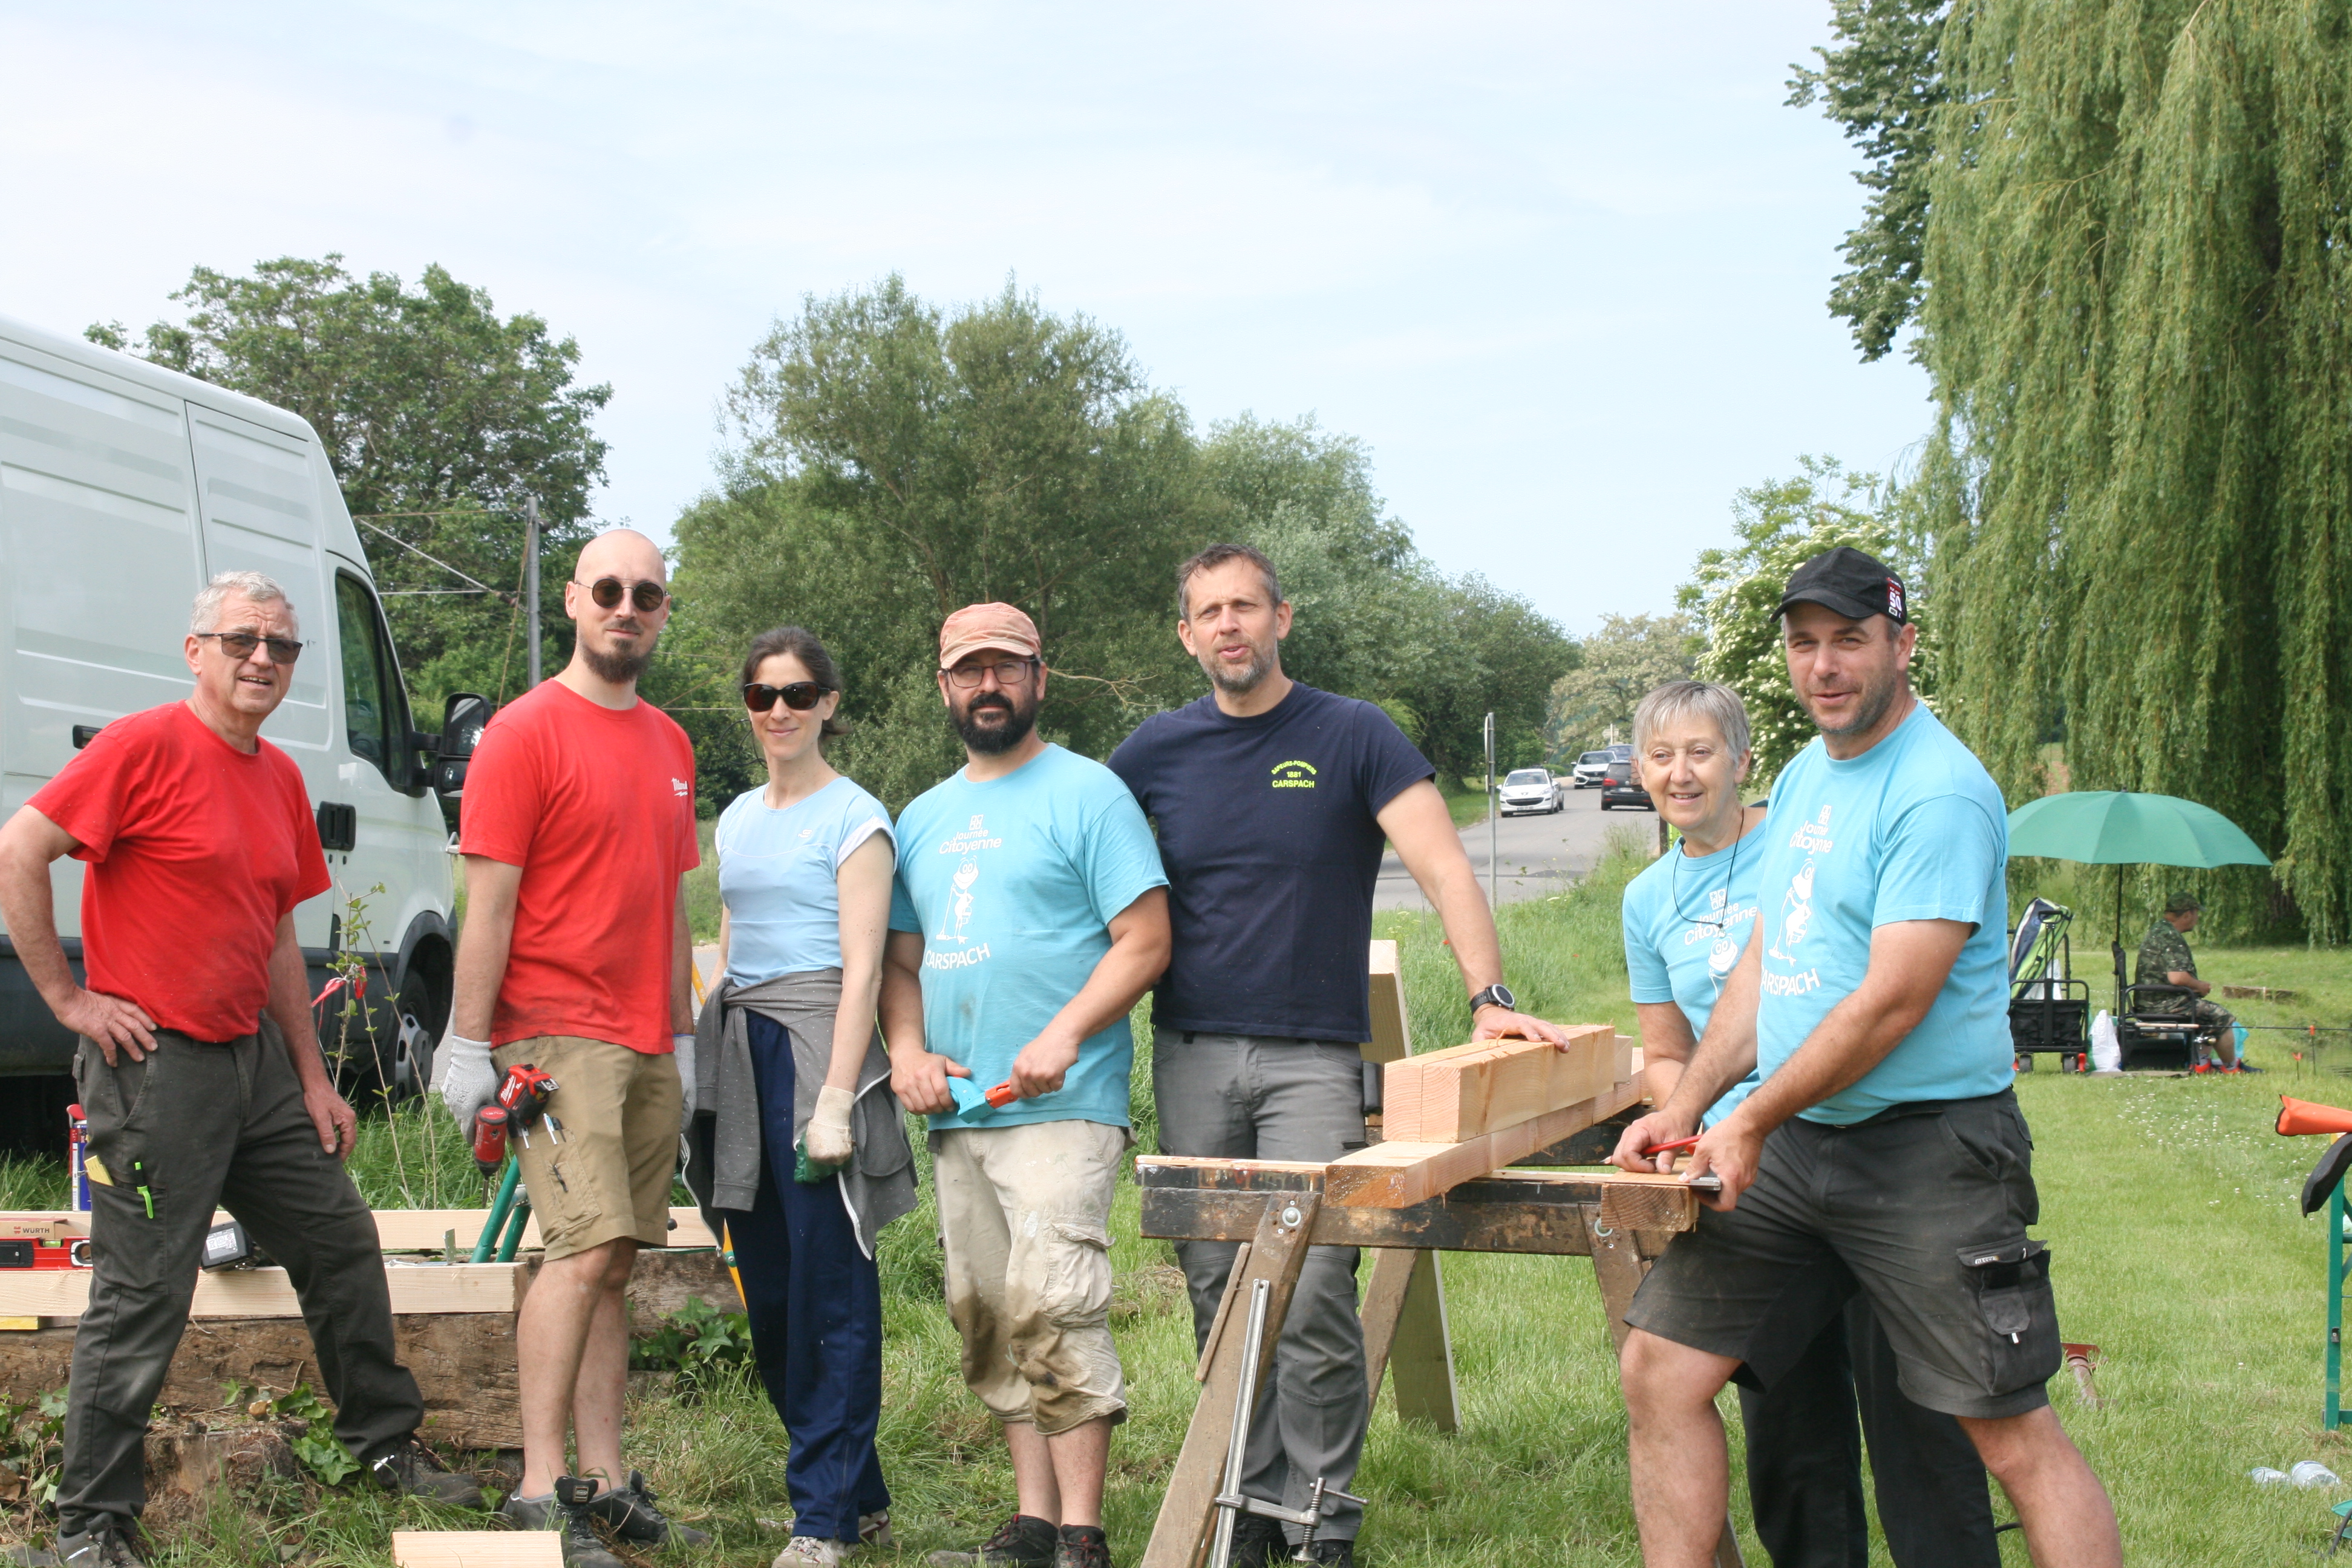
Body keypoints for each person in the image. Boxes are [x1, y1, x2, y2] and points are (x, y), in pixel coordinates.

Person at [1609, 546, 2120, 1568]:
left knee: (2007, 1428)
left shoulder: (1937, 790)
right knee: (1658, 1371)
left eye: (1848, 640)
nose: (1823, 665)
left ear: (1900, 644)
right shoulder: (1805, 776)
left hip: (1929, 1150)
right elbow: (1768, 960)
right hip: (1804, 1142)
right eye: (1804, 644)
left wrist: (1747, 1120)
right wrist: (1696, 1102)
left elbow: (1889, 1002)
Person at [0, 571, 480, 1568]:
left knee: (339, 1236)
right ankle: (91, 1526)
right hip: (153, 1066)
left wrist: (309, 1077)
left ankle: (382, 1446)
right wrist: (68, 1000)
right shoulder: (141, 747)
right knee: (144, 1292)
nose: (262, 658)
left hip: (255, 1064)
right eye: (242, 640)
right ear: (197, 651)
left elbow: (272, 935)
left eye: (282, 646)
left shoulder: (275, 779)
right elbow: (20, 847)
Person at [1106, 542, 1569, 1568]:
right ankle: (1243, 1513)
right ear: (1186, 635)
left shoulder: (1351, 733)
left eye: (1244, 605)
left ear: (1280, 617)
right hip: (1187, 1051)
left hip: (1313, 1057)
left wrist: (1488, 998)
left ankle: (1319, 1525)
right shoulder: (1151, 752)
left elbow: (1443, 865)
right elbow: (1076, 861)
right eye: (1206, 612)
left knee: (1314, 1286)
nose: (1227, 624)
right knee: (1215, 1285)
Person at [1620, 679, 1997, 1568]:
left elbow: (1869, 989)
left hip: (1875, 1140)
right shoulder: (1645, 899)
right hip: (1748, 1171)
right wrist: (1689, 1119)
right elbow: (1666, 1047)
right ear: (1639, 771)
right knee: (1787, 1423)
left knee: (1918, 1409)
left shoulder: (1800, 830)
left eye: (1701, 752)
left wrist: (1754, 1111)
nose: (1682, 774)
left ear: (1744, 763)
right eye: (1663, 756)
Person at [432, 529, 707, 1568]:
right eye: (607, 589)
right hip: (550, 1035)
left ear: (661, 611)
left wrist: (689, 1034)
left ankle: (606, 1478)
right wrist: (468, 1043)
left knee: (619, 1257)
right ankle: (538, 1488)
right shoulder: (522, 732)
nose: (625, 606)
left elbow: (669, 900)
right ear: (576, 605)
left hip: (643, 1039)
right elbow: (487, 902)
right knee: (579, 1248)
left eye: (645, 592)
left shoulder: (672, 743)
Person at [877, 603, 1170, 1568]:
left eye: (1007, 669)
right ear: (946, 688)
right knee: (988, 1311)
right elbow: (901, 965)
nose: (988, 686)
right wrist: (909, 1052)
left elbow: (1146, 940)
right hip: (964, 1110)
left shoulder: (1090, 795)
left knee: (1055, 1300)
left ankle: (1083, 1532)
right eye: (970, 672)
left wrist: (1066, 1032)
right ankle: (1033, 1519)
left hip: (1064, 1102)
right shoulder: (922, 816)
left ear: (1042, 676)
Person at [684, 627, 916, 1568]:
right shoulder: (736, 816)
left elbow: (865, 971)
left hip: (821, 1049)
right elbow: (734, 945)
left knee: (831, 1289)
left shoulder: (856, 817)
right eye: (759, 694)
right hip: (743, 1047)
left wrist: (834, 1098)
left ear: (829, 703)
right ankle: (859, 1500)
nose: (776, 710)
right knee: (770, 1288)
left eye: (796, 692)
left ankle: (818, 1523)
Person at [2134, 893, 2245, 1070]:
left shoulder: (2160, 930)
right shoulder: (2169, 936)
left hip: (2154, 999)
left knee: (2204, 1013)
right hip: (2162, 1003)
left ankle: (2201, 1065)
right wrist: (2199, 986)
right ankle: (2231, 1068)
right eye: (2196, 913)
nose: (2198, 918)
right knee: (2220, 1017)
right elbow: (2177, 978)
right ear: (2187, 915)